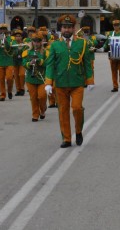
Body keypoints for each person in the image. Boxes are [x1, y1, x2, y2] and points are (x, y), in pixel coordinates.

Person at [44, 14, 94, 148]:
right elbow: (50, 64)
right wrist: (48, 83)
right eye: (64, 27)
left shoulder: (82, 43)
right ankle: (66, 138)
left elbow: (87, 63)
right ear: (61, 29)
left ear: (73, 28)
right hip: (60, 84)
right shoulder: (54, 45)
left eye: (69, 27)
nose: (66, 30)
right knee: (63, 111)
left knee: (77, 108)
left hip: (77, 83)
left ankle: (78, 131)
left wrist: (90, 80)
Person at [23, 31, 47, 121]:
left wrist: (40, 61)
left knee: (41, 96)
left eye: (38, 41)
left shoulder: (45, 52)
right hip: (30, 78)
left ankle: (43, 109)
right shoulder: (27, 52)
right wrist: (30, 63)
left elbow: (48, 64)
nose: (36, 43)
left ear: (41, 42)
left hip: (42, 77)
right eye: (35, 41)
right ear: (32, 42)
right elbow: (24, 63)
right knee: (33, 97)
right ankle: (35, 114)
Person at [104, 19, 120, 92]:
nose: (116, 27)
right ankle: (115, 86)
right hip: (112, 56)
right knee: (114, 72)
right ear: (113, 26)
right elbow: (107, 42)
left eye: (117, 25)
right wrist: (104, 47)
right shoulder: (110, 34)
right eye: (114, 25)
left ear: (119, 25)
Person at [0, 24, 15, 102]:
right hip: (0, 61)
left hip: (9, 61)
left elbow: (13, 47)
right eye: (1, 29)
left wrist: (6, 40)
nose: (3, 30)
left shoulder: (11, 38)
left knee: (9, 78)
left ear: (7, 30)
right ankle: (2, 95)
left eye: (4, 29)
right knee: (0, 79)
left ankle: (9, 91)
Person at [12, 29, 27, 97]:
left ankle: (22, 88)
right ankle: (18, 90)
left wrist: (21, 50)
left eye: (19, 36)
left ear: (22, 37)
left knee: (21, 75)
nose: (18, 37)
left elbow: (25, 52)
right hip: (15, 62)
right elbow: (12, 53)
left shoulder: (24, 44)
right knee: (16, 76)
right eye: (16, 36)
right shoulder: (13, 44)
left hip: (22, 62)